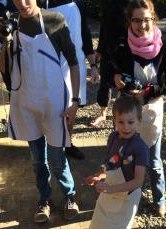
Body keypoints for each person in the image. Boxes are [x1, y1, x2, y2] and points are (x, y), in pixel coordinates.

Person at [0, 0, 80, 223]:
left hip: (54, 102)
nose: (23, 3)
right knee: (37, 161)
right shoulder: (12, 24)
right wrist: (4, 40)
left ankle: (69, 196)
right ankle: (44, 199)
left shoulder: (55, 21)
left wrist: (75, 101)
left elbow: (73, 62)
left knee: (57, 158)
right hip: (26, 102)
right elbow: (5, 69)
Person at [109, 0, 166, 217]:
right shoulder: (122, 45)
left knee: (154, 160)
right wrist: (116, 77)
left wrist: (148, 92)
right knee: (125, 157)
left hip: (151, 111)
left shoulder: (163, 46)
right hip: (127, 113)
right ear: (129, 21)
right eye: (137, 20)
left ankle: (159, 198)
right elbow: (110, 68)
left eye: (147, 20)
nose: (142, 25)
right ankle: (128, 196)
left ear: (153, 19)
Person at [85, 96, 149, 229]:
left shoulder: (140, 147)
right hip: (111, 188)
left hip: (128, 195)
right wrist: (98, 175)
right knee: (104, 223)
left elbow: (138, 181)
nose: (126, 127)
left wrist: (110, 189)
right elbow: (109, 163)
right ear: (114, 121)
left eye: (131, 122)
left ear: (139, 121)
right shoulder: (113, 137)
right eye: (121, 122)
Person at [41, 0, 100, 160]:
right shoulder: (42, 4)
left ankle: (67, 143)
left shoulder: (79, 3)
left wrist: (93, 65)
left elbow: (85, 35)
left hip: (76, 63)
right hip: (52, 63)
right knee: (53, 108)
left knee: (71, 108)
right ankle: (52, 145)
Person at [91, 0, 131, 127]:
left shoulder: (132, 3)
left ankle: (123, 114)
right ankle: (103, 113)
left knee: (125, 81)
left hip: (128, 46)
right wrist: (99, 49)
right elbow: (104, 25)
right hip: (109, 45)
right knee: (105, 81)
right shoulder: (108, 3)